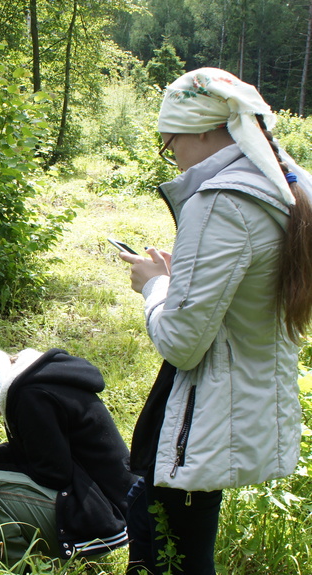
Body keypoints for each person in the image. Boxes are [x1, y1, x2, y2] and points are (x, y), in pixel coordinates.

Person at [118, 68, 312, 574]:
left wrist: (154, 286)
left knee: (168, 553)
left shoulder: (222, 201)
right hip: (233, 402)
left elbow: (181, 342)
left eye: (170, 143)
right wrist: (178, 276)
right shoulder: (282, 187)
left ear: (204, 131)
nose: (173, 156)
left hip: (200, 415)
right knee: (188, 539)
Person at [0, 341, 136, 565]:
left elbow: (53, 474)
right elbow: (42, 448)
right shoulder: (32, 381)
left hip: (98, 516)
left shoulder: (31, 396)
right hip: (93, 500)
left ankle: (24, 567)